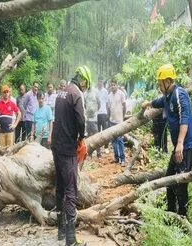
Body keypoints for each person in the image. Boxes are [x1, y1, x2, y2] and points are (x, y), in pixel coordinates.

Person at [142, 64, 192, 216]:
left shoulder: (180, 93)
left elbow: (184, 118)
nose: (159, 86)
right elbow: (159, 102)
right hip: (179, 148)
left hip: (186, 147)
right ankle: (171, 213)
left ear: (168, 81)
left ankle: (183, 218)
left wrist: (179, 143)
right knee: (168, 180)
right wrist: (148, 103)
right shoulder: (167, 96)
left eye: (160, 83)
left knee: (180, 184)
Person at [52, 66, 91, 246]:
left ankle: (60, 231)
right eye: (86, 84)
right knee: (71, 191)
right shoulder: (77, 94)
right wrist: (81, 138)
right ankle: (70, 239)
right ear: (83, 80)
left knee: (59, 186)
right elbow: (81, 120)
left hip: (56, 146)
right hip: (68, 148)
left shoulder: (61, 92)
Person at [107, 77, 126, 164]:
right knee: (113, 140)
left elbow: (124, 105)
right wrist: (108, 117)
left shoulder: (121, 94)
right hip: (112, 121)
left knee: (120, 140)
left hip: (119, 121)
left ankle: (122, 158)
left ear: (117, 85)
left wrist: (123, 116)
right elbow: (109, 108)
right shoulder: (109, 96)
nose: (113, 87)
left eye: (114, 85)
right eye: (111, 85)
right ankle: (116, 157)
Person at [84, 84, 101, 159]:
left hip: (94, 118)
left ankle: (99, 153)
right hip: (87, 118)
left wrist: (95, 111)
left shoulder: (95, 92)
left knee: (96, 136)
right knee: (89, 136)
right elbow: (84, 105)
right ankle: (89, 154)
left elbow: (99, 103)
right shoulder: (85, 94)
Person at [97, 76, 110, 154]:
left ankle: (106, 147)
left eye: (101, 81)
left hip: (104, 112)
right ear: (97, 81)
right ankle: (98, 148)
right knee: (97, 131)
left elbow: (107, 103)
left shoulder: (105, 91)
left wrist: (108, 113)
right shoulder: (95, 91)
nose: (100, 83)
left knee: (105, 130)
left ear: (103, 82)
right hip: (97, 113)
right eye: (99, 81)